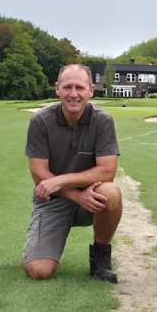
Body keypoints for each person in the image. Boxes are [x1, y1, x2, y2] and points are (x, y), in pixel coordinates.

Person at [22, 64, 123, 282]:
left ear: (91, 90)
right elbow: (39, 173)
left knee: (111, 192)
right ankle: (35, 248)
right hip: (53, 200)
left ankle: (100, 257)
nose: (73, 94)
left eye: (80, 87)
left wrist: (62, 180)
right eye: (67, 87)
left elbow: (107, 171)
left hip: (91, 197)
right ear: (57, 88)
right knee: (39, 271)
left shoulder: (102, 120)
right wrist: (76, 195)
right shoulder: (40, 121)